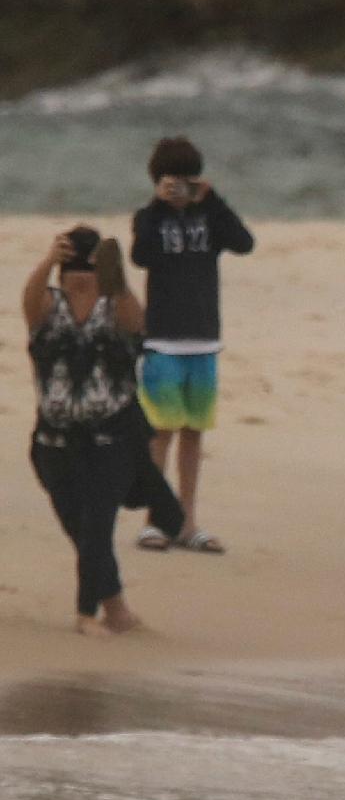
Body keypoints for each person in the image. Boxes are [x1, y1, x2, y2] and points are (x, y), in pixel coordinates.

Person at [22, 227, 187, 636]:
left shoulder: (115, 307)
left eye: (88, 268)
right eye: (72, 267)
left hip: (110, 442)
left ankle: (85, 614)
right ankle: (118, 612)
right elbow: (28, 302)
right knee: (82, 532)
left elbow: (137, 322)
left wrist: (115, 279)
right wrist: (48, 260)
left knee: (96, 527)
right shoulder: (49, 308)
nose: (81, 276)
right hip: (53, 444)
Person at [131, 135, 254, 554]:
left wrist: (213, 199)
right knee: (160, 432)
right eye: (172, 180)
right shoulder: (149, 218)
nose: (180, 187)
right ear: (159, 181)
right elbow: (141, 256)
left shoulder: (211, 217)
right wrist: (155, 206)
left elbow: (245, 243)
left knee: (194, 432)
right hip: (163, 339)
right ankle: (155, 520)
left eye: (187, 179)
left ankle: (187, 522)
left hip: (203, 339)